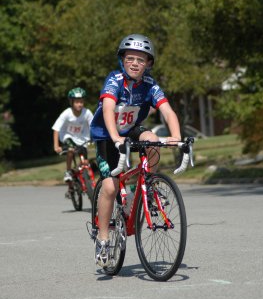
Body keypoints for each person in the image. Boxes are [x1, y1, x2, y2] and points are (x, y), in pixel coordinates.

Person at [90, 33, 181, 267]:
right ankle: (102, 237)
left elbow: (168, 111)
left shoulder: (150, 85)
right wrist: (115, 138)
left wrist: (176, 138)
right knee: (110, 186)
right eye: (130, 58)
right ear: (123, 59)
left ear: (148, 64)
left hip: (130, 129)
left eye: (141, 60)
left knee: (152, 139)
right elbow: (109, 109)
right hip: (107, 135)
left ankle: (148, 185)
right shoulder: (115, 79)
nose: (135, 63)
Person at [52, 87, 94, 182]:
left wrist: (95, 138)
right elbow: (56, 128)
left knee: (85, 162)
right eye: (77, 102)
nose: (79, 104)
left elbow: (93, 126)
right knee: (71, 150)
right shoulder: (67, 113)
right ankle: (68, 171)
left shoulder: (87, 113)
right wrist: (56, 146)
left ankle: (83, 175)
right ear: (71, 102)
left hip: (82, 138)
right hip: (68, 136)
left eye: (81, 102)